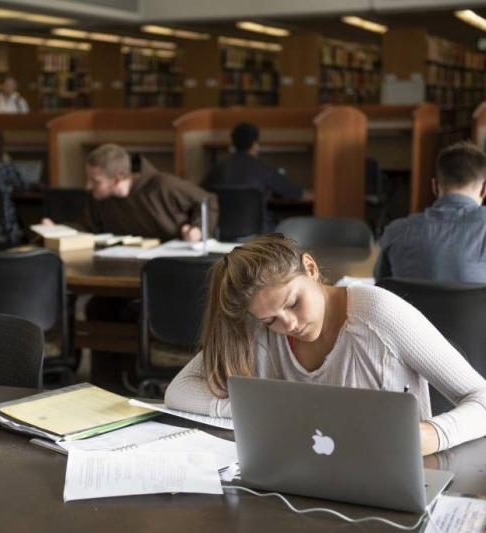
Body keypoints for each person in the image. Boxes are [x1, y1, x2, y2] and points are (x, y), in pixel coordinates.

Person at [165, 234, 486, 455]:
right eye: (269, 320)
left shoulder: (379, 313)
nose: (287, 325)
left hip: (391, 479)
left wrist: (429, 435)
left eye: (293, 302)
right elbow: (178, 391)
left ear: (311, 268)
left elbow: (481, 398)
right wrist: (258, 410)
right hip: (301, 479)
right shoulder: (258, 326)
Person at [43, 143, 218, 242]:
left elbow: (207, 200)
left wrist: (197, 228)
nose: (88, 186)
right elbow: (87, 227)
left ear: (117, 179)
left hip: (167, 263)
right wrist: (56, 229)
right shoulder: (99, 197)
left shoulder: (162, 185)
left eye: (96, 182)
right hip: (120, 264)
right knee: (96, 308)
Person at [375, 141, 486, 283]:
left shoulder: (396, 232)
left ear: (434, 186)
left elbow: (381, 288)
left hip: (412, 306)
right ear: (484, 189)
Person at [202, 122, 304, 200]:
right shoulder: (264, 169)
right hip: (256, 227)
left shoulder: (217, 169)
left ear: (233, 145)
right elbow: (295, 193)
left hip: (221, 226)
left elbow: (201, 192)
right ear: (254, 145)